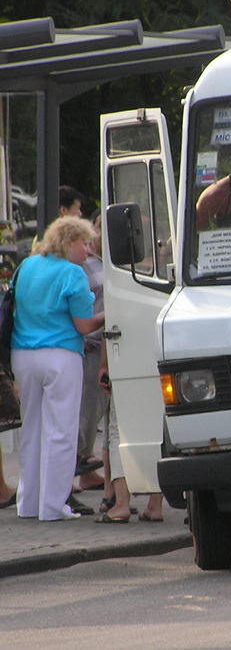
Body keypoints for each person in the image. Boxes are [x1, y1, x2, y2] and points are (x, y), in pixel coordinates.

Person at [12, 216, 104, 520]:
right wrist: (108, 314)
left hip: (23, 354)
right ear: (68, 242)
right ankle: (53, 506)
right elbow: (83, 325)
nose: (88, 251)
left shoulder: (27, 266)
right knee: (61, 431)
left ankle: (28, 502)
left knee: (32, 428)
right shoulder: (72, 273)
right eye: (84, 243)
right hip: (61, 355)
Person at [94, 340, 164, 524]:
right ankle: (155, 505)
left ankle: (121, 503)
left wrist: (104, 364)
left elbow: (109, 325)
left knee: (118, 429)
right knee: (156, 427)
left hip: (123, 355)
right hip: (158, 356)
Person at [77, 210, 107, 490]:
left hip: (106, 342)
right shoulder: (81, 264)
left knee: (98, 409)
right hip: (91, 344)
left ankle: (86, 471)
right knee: (87, 409)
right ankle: (75, 467)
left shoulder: (104, 261)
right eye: (99, 227)